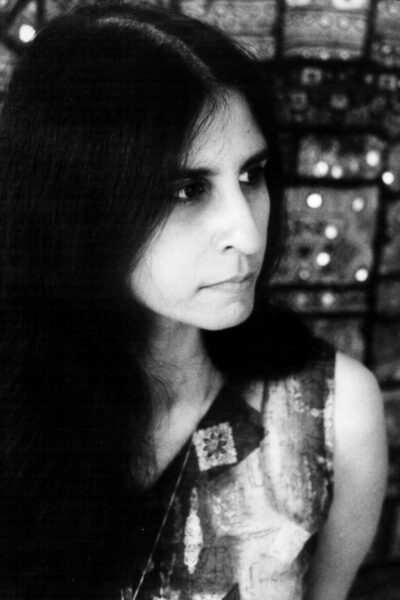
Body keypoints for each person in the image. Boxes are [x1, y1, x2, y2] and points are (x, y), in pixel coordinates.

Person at [0, 2, 388, 599]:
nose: (249, 235)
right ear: (78, 204)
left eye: (251, 175)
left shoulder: (331, 417)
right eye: (188, 189)